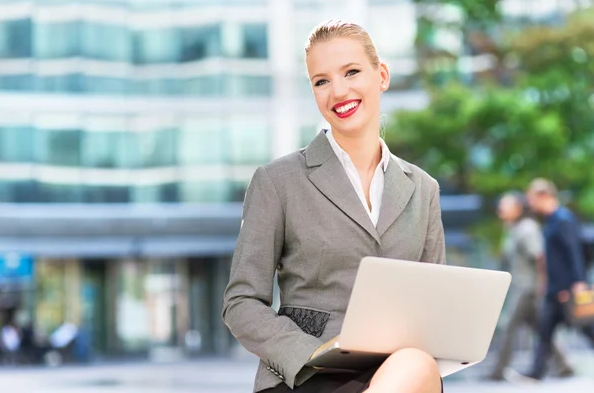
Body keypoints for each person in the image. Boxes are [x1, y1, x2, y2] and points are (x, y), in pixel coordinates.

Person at [222, 20, 446, 393]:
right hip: (307, 375)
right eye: (321, 81)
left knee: (417, 363)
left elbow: (433, 300)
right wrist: (311, 354)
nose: (338, 91)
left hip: (397, 373)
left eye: (352, 72)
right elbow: (241, 302)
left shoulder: (423, 189)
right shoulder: (278, 181)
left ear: (382, 75)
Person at [485, 192, 573, 381]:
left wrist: (543, 286)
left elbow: (541, 258)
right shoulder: (512, 228)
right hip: (519, 287)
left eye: (505, 205)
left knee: (508, 326)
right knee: (542, 328)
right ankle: (564, 364)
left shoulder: (527, 228)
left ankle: (498, 370)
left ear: (518, 208)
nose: (500, 209)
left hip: (528, 290)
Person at [518, 178, 594, 380]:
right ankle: (536, 372)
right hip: (555, 288)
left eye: (532, 199)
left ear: (545, 196)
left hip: (566, 287)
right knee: (545, 331)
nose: (531, 204)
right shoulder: (552, 220)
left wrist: (578, 282)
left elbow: (573, 251)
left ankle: (536, 372)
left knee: (587, 327)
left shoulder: (563, 219)